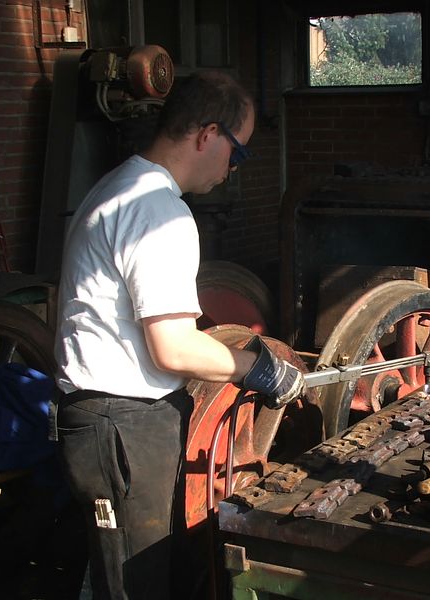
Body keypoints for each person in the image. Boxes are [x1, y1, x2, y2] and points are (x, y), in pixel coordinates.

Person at [53, 70, 305, 600]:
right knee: (135, 583)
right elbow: (173, 346)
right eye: (237, 152)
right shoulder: (158, 212)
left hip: (113, 422)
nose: (234, 169)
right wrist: (259, 369)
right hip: (121, 424)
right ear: (207, 134)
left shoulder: (121, 184)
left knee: (124, 573)